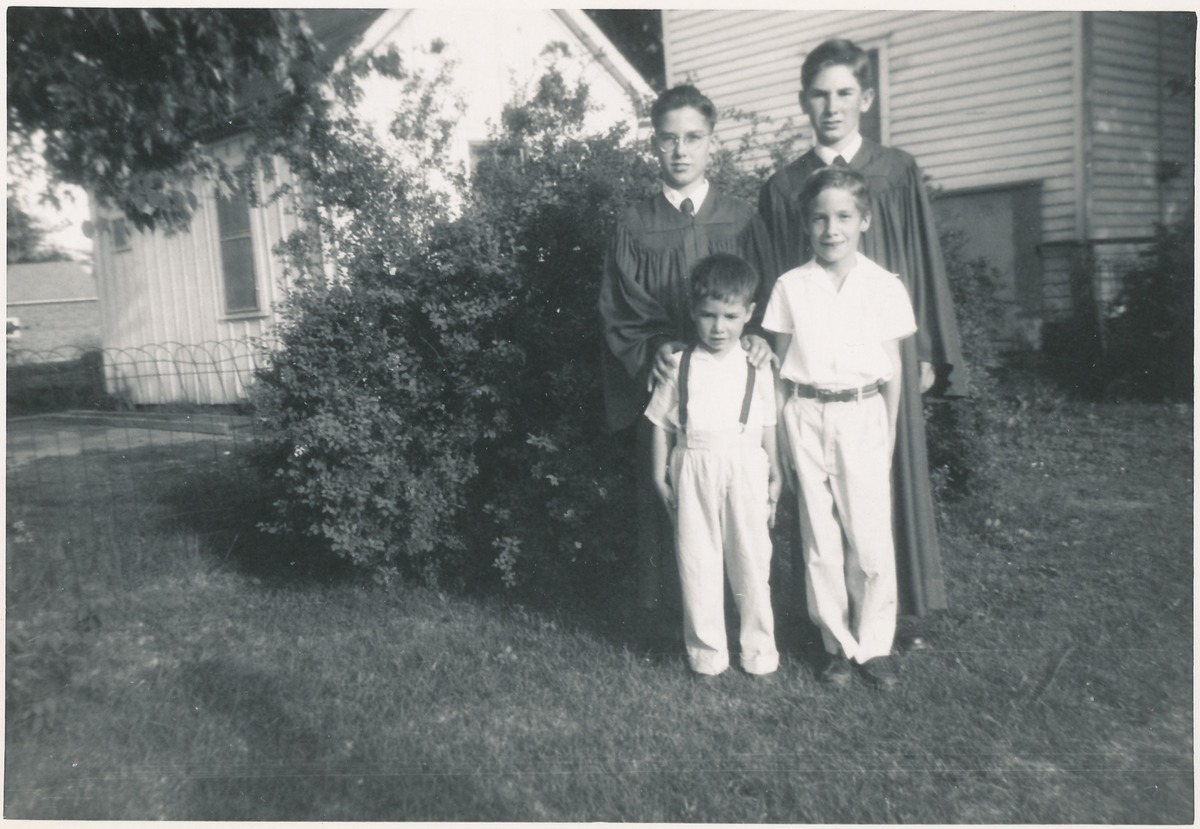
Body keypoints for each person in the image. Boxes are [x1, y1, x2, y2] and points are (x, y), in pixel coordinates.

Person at [758, 38, 965, 642]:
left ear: (866, 98)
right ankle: (831, 628)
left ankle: (885, 622)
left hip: (881, 359)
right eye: (820, 94)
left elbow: (920, 263)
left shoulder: (895, 170)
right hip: (811, 374)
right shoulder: (785, 187)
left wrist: (925, 348)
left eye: (844, 92)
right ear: (804, 102)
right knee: (821, 517)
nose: (832, 106)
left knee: (882, 491)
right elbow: (775, 288)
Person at [599, 84, 775, 647]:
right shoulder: (634, 224)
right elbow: (620, 306)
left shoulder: (743, 220)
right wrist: (656, 347)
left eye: (693, 138)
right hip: (672, 382)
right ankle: (680, 625)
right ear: (654, 144)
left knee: (746, 509)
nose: (681, 150)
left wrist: (762, 341)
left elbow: (767, 297)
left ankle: (751, 621)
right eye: (669, 139)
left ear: (711, 143)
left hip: (734, 391)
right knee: (674, 503)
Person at [763, 166, 915, 688]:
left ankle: (873, 646)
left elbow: (893, 374)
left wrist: (888, 434)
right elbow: (778, 372)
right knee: (820, 540)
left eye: (844, 217)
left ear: (864, 220)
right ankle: (834, 644)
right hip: (804, 415)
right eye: (820, 219)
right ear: (807, 226)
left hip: (863, 413)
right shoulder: (790, 286)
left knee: (868, 538)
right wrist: (780, 435)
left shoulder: (884, 286)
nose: (832, 229)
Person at [644, 253, 781, 676]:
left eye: (729, 316)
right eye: (708, 316)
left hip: (745, 463)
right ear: (693, 312)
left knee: (752, 561)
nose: (718, 327)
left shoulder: (757, 364)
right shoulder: (679, 364)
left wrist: (775, 471)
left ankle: (759, 653)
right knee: (697, 561)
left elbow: (768, 423)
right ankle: (707, 655)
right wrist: (657, 473)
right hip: (693, 463)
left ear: (749, 315)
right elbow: (658, 424)